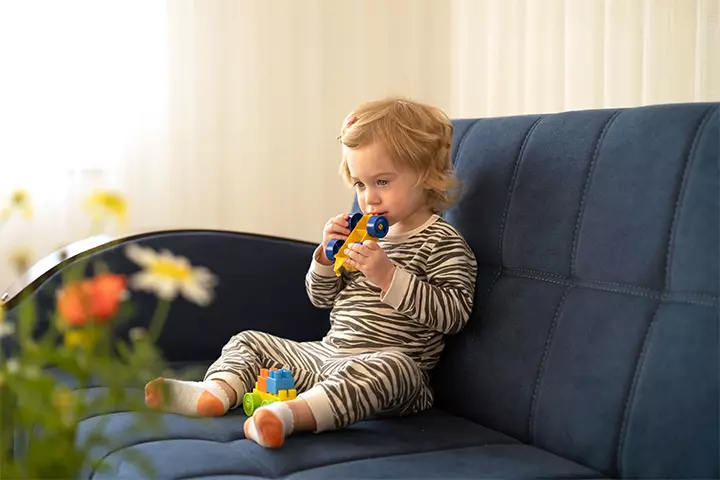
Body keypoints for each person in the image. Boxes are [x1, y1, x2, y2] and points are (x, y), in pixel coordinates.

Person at [144, 97, 478, 449]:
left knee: (395, 369)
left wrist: (387, 276)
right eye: (360, 186)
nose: (369, 200)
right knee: (249, 340)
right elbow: (321, 298)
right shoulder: (359, 234)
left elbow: (453, 316)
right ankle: (214, 392)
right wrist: (324, 256)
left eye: (382, 181)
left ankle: (288, 416)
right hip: (326, 354)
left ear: (426, 176)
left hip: (388, 369)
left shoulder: (442, 241)